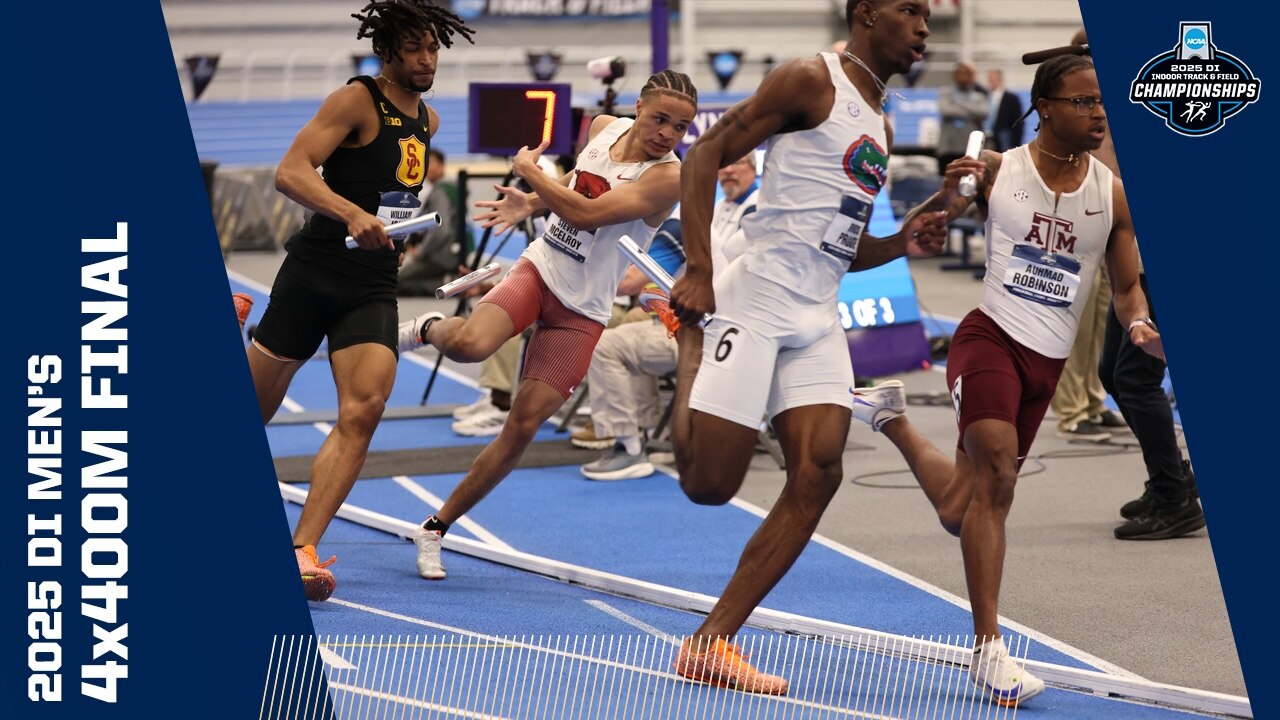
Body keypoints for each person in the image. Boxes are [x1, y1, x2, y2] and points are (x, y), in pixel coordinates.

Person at [850, 53, 1163, 706]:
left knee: (959, 509)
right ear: (1046, 107)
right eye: (1083, 101)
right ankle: (988, 649)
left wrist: (1138, 327)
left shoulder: (1113, 196)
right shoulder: (999, 169)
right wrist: (947, 194)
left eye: (1103, 102)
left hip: (1043, 367)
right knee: (997, 476)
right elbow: (941, 220)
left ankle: (894, 420)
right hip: (988, 338)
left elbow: (1128, 288)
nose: (1100, 112)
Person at [664, 0, 948, 696]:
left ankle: (710, 641)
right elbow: (703, 154)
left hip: (817, 311)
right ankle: (689, 349)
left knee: (819, 472)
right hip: (755, 298)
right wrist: (699, 270)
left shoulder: (879, 122)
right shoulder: (808, 79)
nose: (924, 27)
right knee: (710, 486)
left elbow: (845, 252)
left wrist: (906, 236)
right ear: (868, 13)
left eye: (929, 15)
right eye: (910, 11)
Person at [398, 69, 698, 580]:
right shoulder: (603, 126)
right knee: (470, 345)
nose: (667, 133)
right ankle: (428, 327)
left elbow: (586, 213)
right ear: (639, 107)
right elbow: (576, 185)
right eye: (660, 119)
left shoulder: (669, 176)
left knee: (521, 427)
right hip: (542, 269)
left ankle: (436, 527)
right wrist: (533, 200)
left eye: (680, 127)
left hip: (583, 310)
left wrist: (528, 174)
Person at [242, 0, 473, 602]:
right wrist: (350, 213)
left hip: (372, 284)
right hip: (313, 272)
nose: (427, 60)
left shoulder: (430, 121)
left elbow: (394, 194)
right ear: (389, 51)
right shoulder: (356, 100)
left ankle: (301, 550)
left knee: (364, 409)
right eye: (416, 49)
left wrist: (402, 231)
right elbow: (291, 172)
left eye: (433, 50)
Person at [581, 153, 760, 481]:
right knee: (629, 330)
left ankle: (629, 448)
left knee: (605, 345)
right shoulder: (680, 218)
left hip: (706, 339)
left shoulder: (677, 224)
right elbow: (649, 288)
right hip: (708, 331)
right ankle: (647, 434)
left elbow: (628, 282)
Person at [397, 147, 460, 296]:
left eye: (431, 163)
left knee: (396, 282)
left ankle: (446, 283)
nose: (427, 168)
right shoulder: (455, 187)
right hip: (456, 251)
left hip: (441, 256)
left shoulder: (441, 191)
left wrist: (421, 251)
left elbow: (440, 230)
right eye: (424, 164)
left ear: (442, 165)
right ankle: (447, 281)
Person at [936, 61, 988, 175]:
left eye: (966, 74)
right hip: (948, 148)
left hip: (970, 149)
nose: (963, 77)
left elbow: (983, 112)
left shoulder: (979, 96)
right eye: (960, 73)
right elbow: (946, 110)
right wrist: (970, 110)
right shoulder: (945, 93)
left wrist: (958, 104)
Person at [985, 68, 1023, 153]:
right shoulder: (985, 96)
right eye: (990, 79)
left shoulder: (1011, 98)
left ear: (1000, 80)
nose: (992, 82)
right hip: (987, 138)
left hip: (1004, 139)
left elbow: (1018, 122)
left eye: (994, 79)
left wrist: (1017, 144)